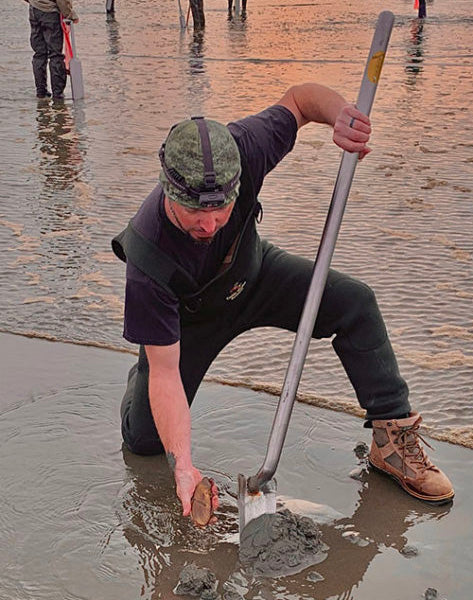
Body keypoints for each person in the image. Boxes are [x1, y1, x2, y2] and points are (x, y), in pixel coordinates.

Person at [112, 82, 454, 523]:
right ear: (169, 191)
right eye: (196, 211)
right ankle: (140, 369)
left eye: (221, 208)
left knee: (355, 303)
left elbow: (299, 100)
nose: (211, 223)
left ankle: (391, 441)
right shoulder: (148, 255)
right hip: (190, 318)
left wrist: (340, 116)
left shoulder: (246, 147)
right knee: (145, 440)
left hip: (254, 276)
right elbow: (165, 374)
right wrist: (184, 468)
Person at [25, 0, 79, 99]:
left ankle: (41, 92)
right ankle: (58, 95)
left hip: (34, 10)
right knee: (55, 55)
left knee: (39, 54)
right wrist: (70, 15)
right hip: (50, 12)